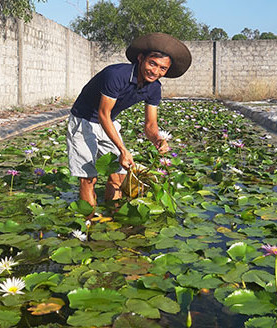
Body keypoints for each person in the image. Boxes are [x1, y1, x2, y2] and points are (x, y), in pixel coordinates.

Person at [66, 32, 192, 207]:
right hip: (84, 121)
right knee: (89, 178)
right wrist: (123, 149)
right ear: (141, 58)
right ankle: (89, 223)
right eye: (152, 63)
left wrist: (157, 139)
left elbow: (150, 124)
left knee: (119, 175)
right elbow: (103, 113)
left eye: (162, 68)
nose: (155, 71)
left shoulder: (155, 88)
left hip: (108, 122)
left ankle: (113, 217)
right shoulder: (116, 75)